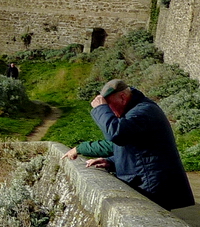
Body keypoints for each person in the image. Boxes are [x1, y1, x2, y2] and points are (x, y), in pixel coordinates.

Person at [63, 79, 194, 210]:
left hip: (150, 186)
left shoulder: (143, 111)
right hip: (148, 182)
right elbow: (134, 149)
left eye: (109, 105)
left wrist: (100, 109)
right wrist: (111, 162)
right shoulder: (136, 110)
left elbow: (116, 135)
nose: (110, 110)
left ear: (122, 97)